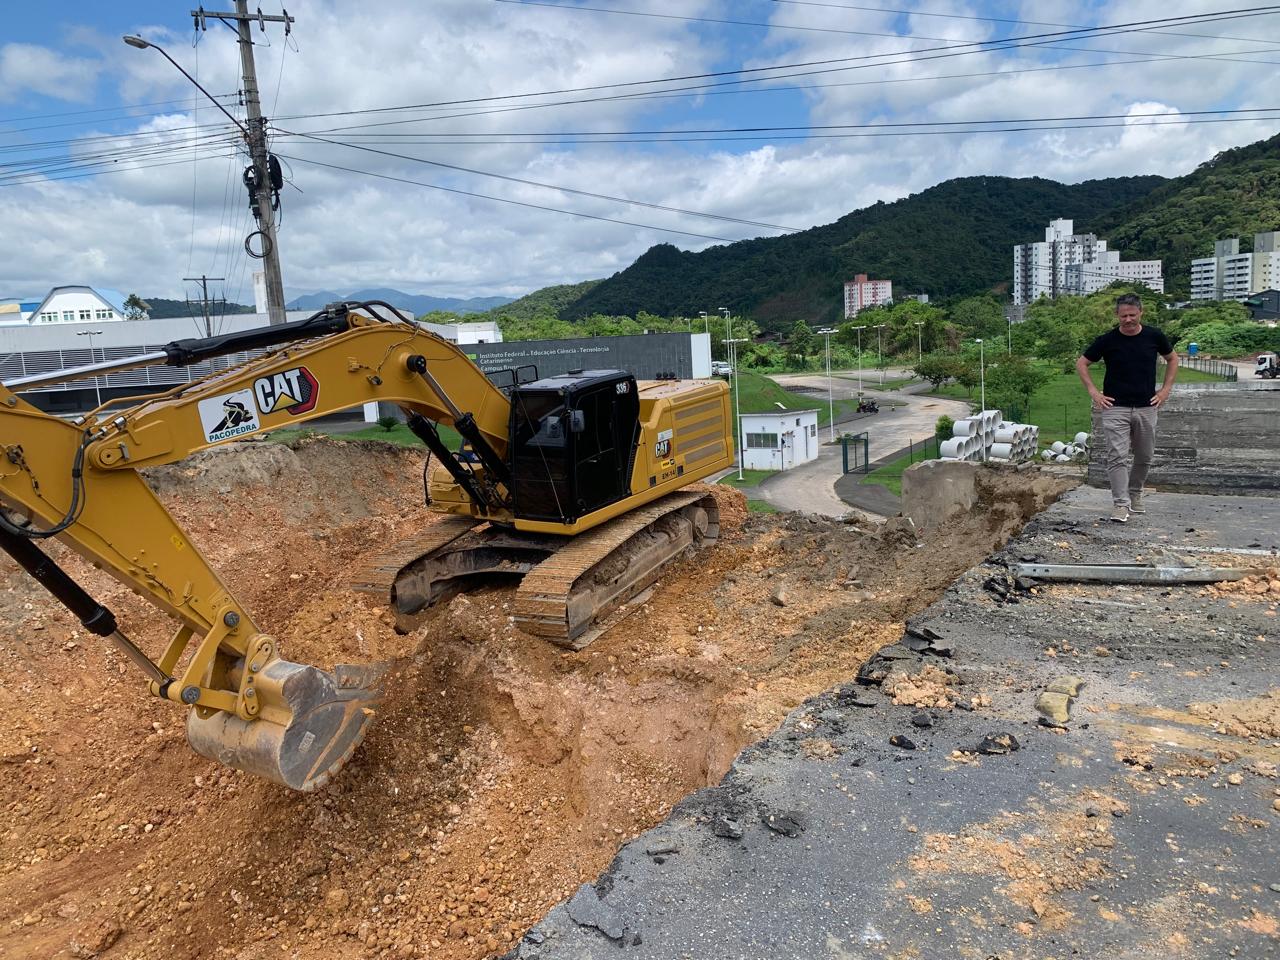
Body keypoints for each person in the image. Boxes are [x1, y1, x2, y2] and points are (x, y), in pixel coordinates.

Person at [1075, 293, 1179, 523]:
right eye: (1124, 316)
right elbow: (1082, 363)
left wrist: (1165, 390)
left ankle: (1136, 493)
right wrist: (1094, 392)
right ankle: (1120, 504)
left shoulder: (1154, 336)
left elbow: (1173, 358)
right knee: (1117, 456)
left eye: (1132, 315)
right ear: (1117, 315)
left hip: (1147, 406)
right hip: (1115, 407)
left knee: (1144, 456)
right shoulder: (1108, 340)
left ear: (1140, 313)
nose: (1128, 319)